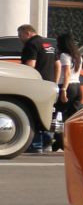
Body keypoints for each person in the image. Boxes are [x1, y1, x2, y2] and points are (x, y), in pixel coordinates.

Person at [15, 24, 58, 152]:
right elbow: (58, 65)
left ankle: (36, 145)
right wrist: (54, 83)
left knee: (33, 113)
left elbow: (30, 65)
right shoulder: (49, 44)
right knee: (46, 113)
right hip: (49, 85)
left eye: (20, 35)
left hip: (35, 84)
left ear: (27, 33)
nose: (19, 38)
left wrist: (24, 82)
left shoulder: (31, 44)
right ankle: (46, 143)